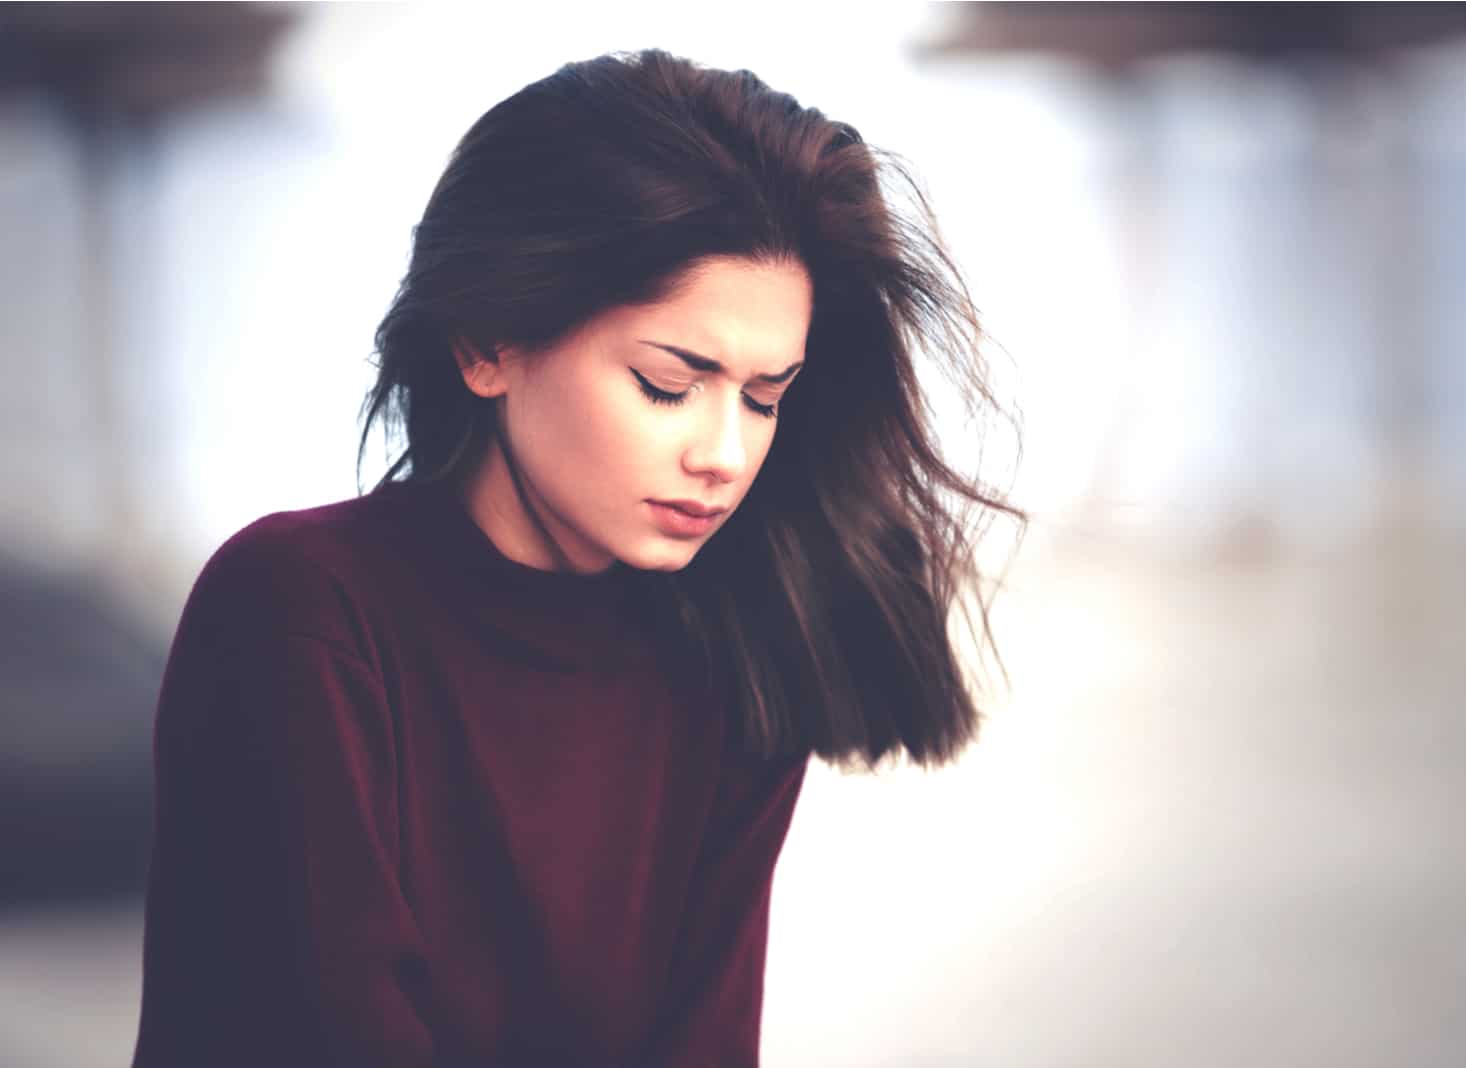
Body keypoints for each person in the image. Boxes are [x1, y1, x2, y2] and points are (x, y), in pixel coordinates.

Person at [130, 48, 1025, 1068]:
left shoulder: (743, 639)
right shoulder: (301, 610)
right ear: (488, 344)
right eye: (666, 385)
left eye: (764, 398)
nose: (725, 455)